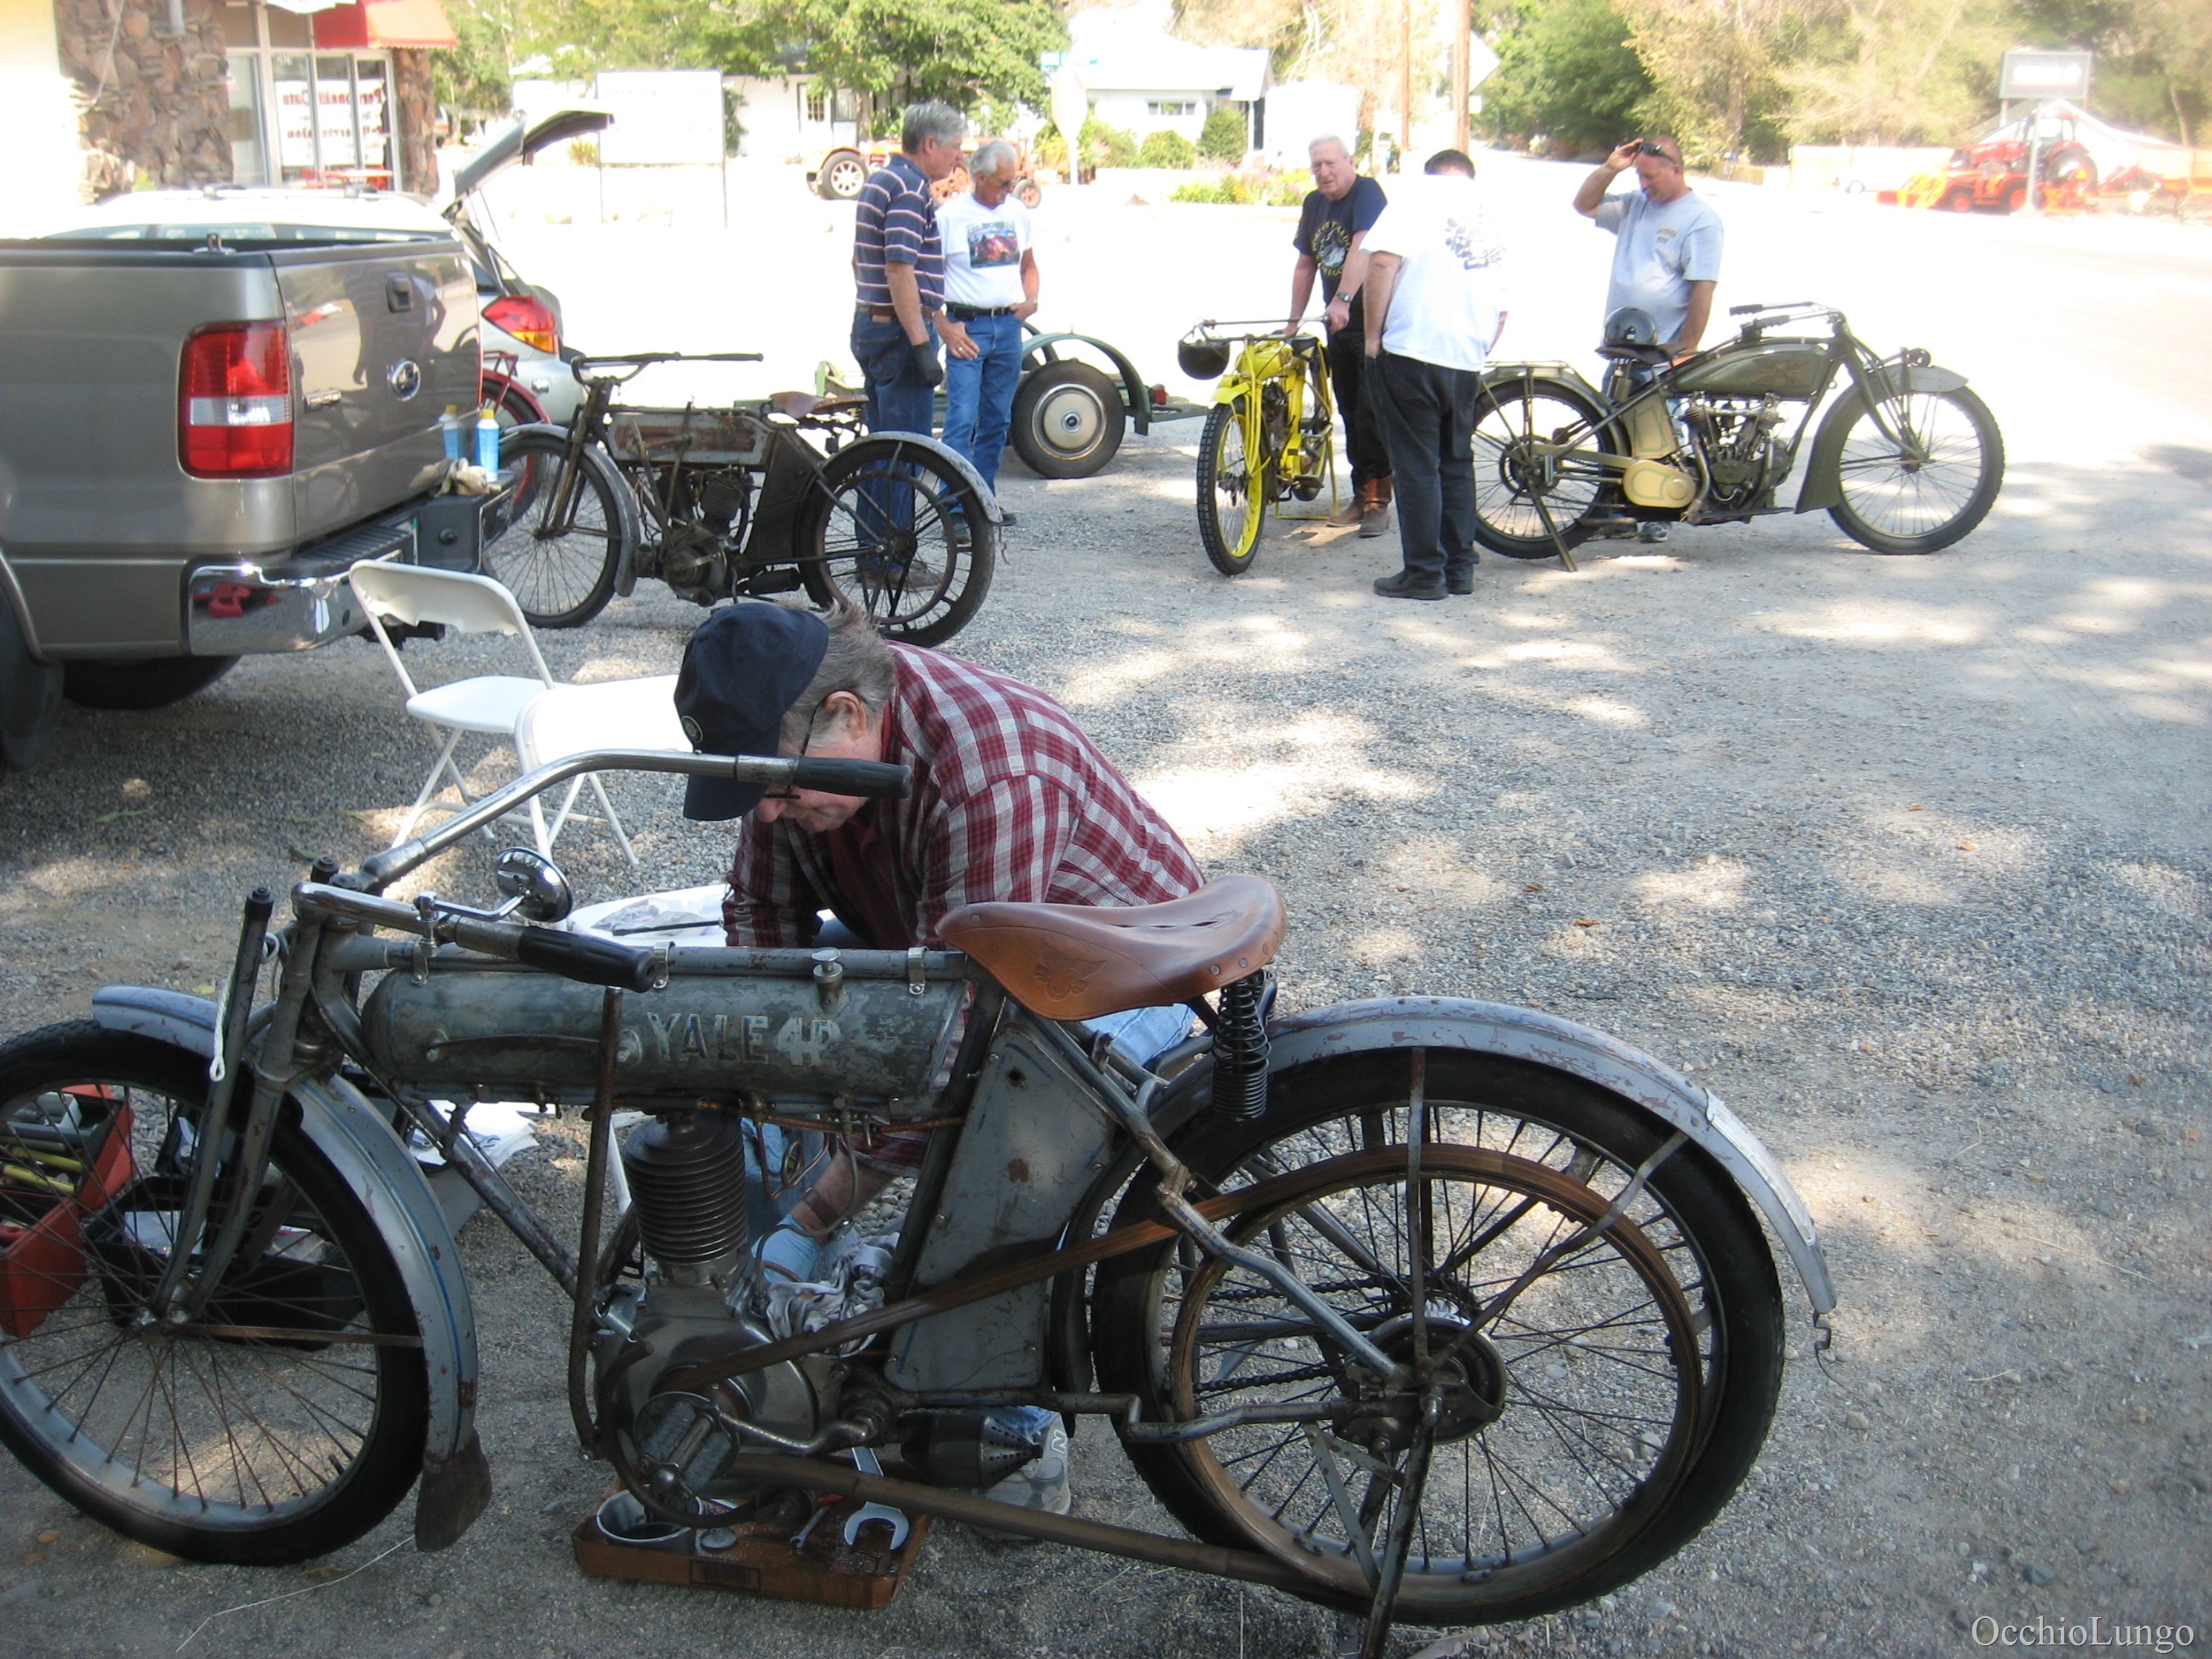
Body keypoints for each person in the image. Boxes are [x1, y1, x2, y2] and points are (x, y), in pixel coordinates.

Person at [674, 597, 1204, 1238]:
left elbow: (958, 1028)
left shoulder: (990, 774)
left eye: (778, 786)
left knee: (1007, 1137)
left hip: (1130, 969)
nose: (763, 814)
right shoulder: (806, 735)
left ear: (848, 713)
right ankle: (750, 1272)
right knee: (743, 1046)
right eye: (754, 787)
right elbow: (762, 911)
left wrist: (813, 1219)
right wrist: (767, 1079)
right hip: (940, 938)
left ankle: (996, 1291)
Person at [1359, 150, 1510, 602]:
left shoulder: (1415, 197)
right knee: (1455, 461)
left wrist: (1372, 338)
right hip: (1465, 356)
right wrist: (1479, 347)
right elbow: (1503, 305)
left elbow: (1382, 264)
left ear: (1432, 173)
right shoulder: (1492, 213)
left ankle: (1424, 573)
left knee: (1416, 464)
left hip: (1414, 348)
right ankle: (1460, 568)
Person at [1572, 136, 1722, 544]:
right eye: (1640, 176)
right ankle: (1615, 511)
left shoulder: (1699, 219)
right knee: (1614, 429)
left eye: (1651, 177)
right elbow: (1584, 204)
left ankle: (1660, 512)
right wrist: (1610, 168)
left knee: (1660, 433)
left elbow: (1703, 287)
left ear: (1676, 169)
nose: (1644, 184)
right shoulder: (1634, 206)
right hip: (1623, 344)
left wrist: (1688, 349)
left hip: (1662, 350)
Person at [1287, 135, 1393, 538]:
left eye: (1331, 163)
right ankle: (1360, 494)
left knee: (1371, 411)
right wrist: (1292, 323)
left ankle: (1378, 501)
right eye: (1317, 165)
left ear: (1350, 161)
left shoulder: (1367, 193)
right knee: (1348, 410)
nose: (1324, 172)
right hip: (1339, 323)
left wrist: (1344, 299)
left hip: (1372, 319)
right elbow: (1305, 265)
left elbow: (1363, 249)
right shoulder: (1314, 203)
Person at [934, 138, 1039, 518]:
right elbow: (926, 279)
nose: (1010, 189)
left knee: (997, 420)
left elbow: (1029, 265)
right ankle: (953, 506)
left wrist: (1031, 300)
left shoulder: (1017, 212)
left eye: (1013, 181)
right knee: (962, 419)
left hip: (1007, 327)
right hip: (968, 328)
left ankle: (983, 499)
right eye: (1003, 182)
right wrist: (943, 324)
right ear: (980, 177)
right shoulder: (950, 216)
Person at [851, 102, 968, 439]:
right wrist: (920, 345)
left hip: (873, 323)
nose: (959, 157)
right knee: (908, 448)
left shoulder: (880, 180)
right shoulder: (910, 188)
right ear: (930, 144)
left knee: (883, 444)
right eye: (955, 147)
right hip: (900, 333)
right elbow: (899, 270)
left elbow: (859, 261)